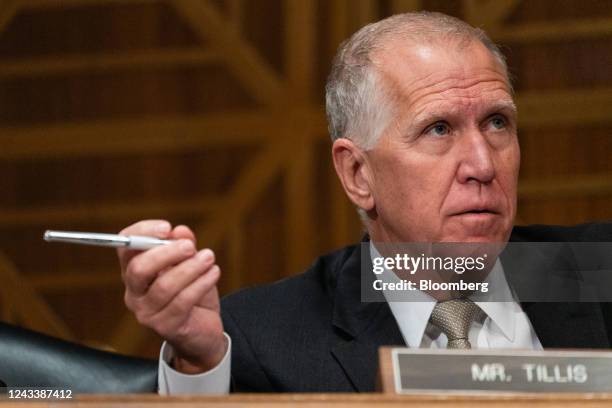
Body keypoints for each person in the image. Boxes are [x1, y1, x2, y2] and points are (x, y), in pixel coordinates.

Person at [117, 12, 612, 393]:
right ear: (358, 175)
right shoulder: (263, 339)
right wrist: (199, 368)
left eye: (497, 123)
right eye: (438, 129)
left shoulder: (598, 269)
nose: (482, 164)